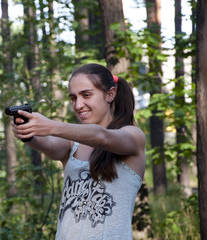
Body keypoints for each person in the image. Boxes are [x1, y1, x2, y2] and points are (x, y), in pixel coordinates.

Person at [12, 63, 146, 240]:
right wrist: (28, 132)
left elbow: (102, 137)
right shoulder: (72, 144)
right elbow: (50, 146)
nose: (78, 104)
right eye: (73, 98)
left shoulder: (133, 135)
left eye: (86, 95)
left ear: (110, 94)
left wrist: (50, 125)